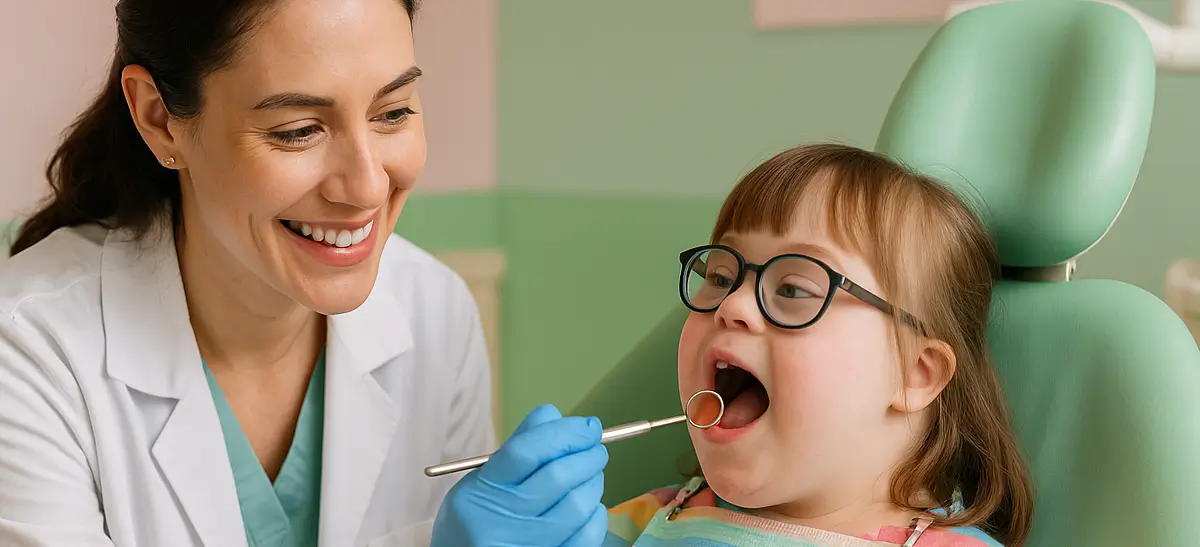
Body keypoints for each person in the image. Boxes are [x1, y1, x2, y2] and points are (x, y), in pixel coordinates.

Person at [0, 0, 606, 546]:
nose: (368, 185)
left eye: (393, 112)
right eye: (298, 131)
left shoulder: (434, 312)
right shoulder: (29, 350)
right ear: (161, 119)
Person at [602, 144, 1035, 546]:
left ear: (913, 374)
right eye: (719, 276)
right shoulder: (638, 522)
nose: (731, 304)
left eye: (792, 289)